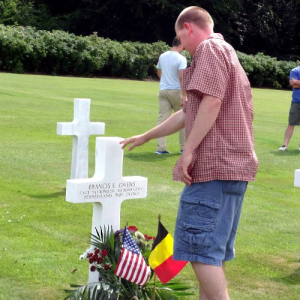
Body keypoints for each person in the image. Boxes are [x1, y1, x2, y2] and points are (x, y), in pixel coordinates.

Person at [121, 6, 258, 300]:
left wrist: (188, 151)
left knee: (198, 252)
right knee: (211, 255)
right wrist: (146, 136)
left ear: (188, 27)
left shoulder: (209, 49)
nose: (181, 46)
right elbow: (188, 112)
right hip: (233, 171)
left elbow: (212, 103)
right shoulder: (227, 52)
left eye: (180, 38)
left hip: (213, 169)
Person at [155, 37, 187, 155]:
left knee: (162, 119)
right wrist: (184, 95)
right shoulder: (181, 58)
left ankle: (160, 148)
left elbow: (159, 72)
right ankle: (184, 147)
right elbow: (181, 77)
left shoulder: (163, 56)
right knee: (183, 119)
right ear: (181, 44)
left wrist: (165, 81)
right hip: (176, 90)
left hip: (163, 90)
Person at [278, 66, 300, 151]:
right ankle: (284, 145)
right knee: (291, 124)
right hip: (297, 101)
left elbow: (296, 84)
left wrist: (297, 82)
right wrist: (295, 83)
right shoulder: (295, 70)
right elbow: (293, 85)